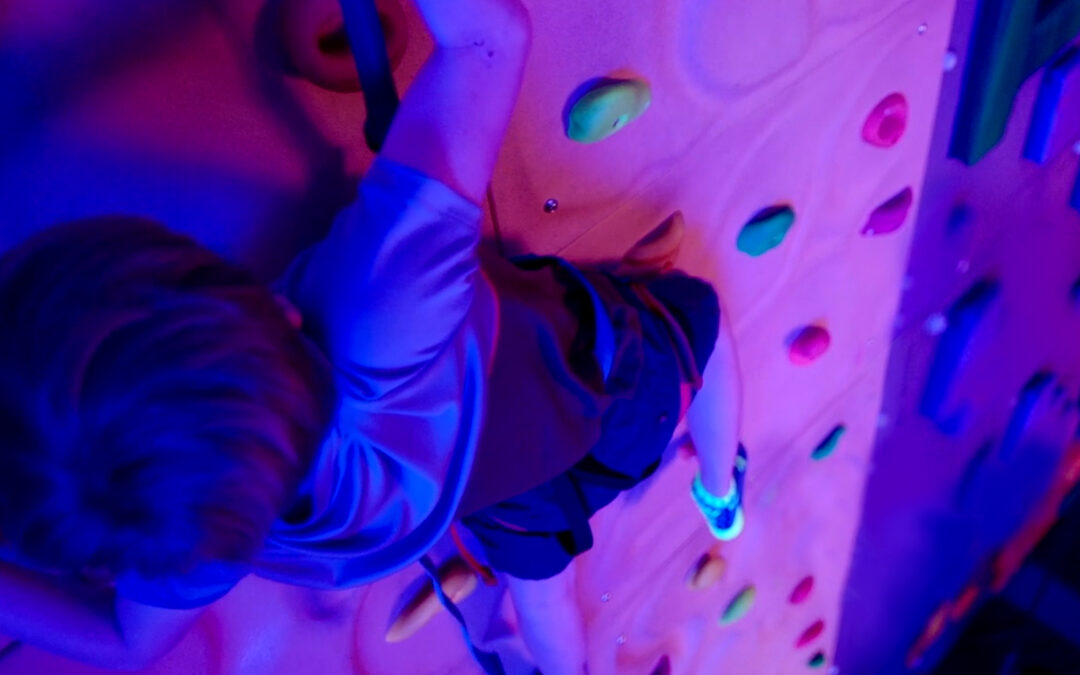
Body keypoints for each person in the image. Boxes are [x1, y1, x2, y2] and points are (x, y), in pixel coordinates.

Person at [0, 1, 745, 672]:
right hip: (605, 392)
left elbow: (125, 638)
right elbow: (488, 40)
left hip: (496, 495)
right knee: (701, 329)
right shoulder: (383, 303)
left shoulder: (203, 535)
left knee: (543, 593)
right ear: (280, 312)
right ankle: (720, 489)